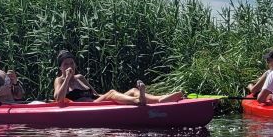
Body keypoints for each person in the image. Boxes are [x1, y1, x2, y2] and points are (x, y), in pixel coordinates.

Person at [52, 50, 186, 106]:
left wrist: (114, 96)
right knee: (111, 92)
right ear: (60, 67)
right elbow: (58, 98)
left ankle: (160, 99)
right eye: (66, 64)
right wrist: (67, 78)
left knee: (133, 90)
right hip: (86, 108)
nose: (70, 66)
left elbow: (96, 94)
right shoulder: (60, 80)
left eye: (71, 63)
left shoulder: (80, 77)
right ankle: (140, 101)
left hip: (97, 102)